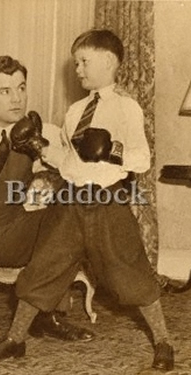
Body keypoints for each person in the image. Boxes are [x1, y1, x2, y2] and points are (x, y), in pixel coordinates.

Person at [34, 29, 172, 371]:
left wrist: (112, 150)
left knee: (132, 273)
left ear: (108, 62)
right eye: (76, 62)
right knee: (45, 266)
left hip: (107, 200)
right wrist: (38, 147)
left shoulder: (127, 108)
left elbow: (142, 159)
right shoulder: (74, 111)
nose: (78, 69)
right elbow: (68, 161)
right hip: (70, 198)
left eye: (84, 61)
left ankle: (164, 341)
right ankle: (14, 339)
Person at [0, 55, 95, 354]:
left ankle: (47, 313)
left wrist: (49, 172)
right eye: (5, 91)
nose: (17, 98)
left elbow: (72, 174)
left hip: (11, 232)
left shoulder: (37, 132)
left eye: (21, 88)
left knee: (69, 218)